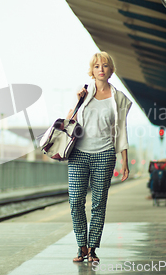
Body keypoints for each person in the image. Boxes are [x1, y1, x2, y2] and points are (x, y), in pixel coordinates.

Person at [66, 52, 132, 263]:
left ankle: (92, 249)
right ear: (92, 71)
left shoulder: (118, 98)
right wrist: (77, 102)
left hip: (104, 155)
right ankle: (81, 245)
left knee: (98, 203)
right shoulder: (83, 93)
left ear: (111, 71)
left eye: (105, 66)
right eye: (96, 66)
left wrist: (124, 160)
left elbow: (121, 129)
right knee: (76, 201)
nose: (101, 69)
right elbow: (70, 122)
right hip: (78, 155)